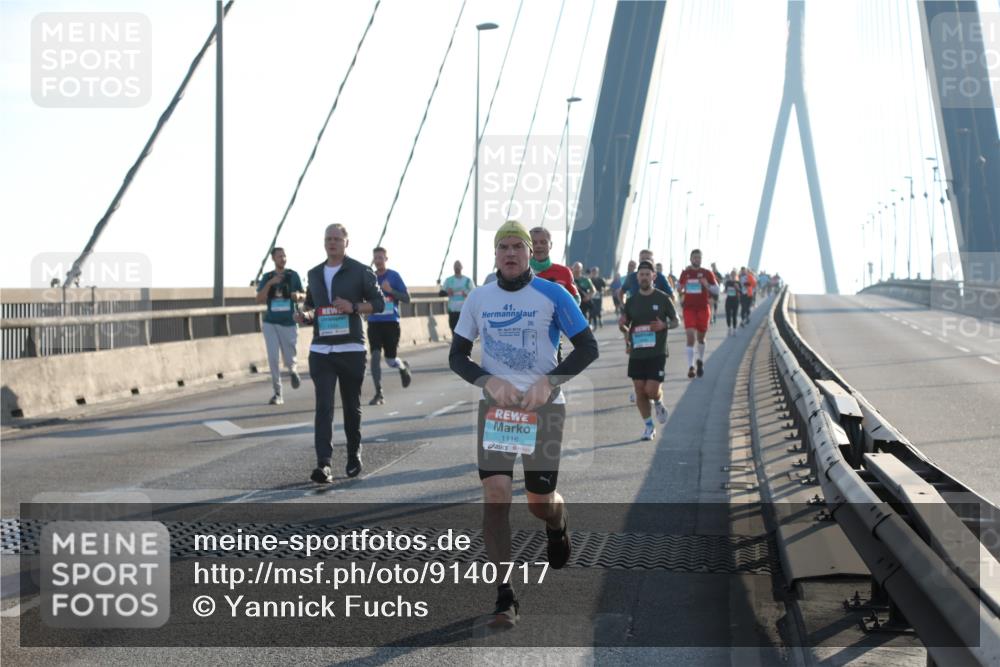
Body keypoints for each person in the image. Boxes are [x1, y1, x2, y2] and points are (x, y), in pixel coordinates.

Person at [449, 220, 599, 629]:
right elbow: (458, 356)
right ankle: (505, 595)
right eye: (504, 247)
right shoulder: (479, 299)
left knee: (538, 503)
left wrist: (549, 383)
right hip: (497, 409)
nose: (511, 253)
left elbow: (588, 347)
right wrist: (486, 380)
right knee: (496, 494)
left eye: (518, 246)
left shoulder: (554, 294)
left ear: (530, 253)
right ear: (495, 255)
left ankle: (558, 518)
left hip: (544, 409)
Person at [295, 223, 384, 482]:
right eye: (328, 239)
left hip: (351, 349)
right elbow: (313, 306)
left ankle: (354, 454)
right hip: (321, 349)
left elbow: (378, 304)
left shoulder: (360, 271)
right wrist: (305, 315)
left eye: (336, 238)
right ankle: (324, 464)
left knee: (350, 406)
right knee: (323, 406)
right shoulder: (313, 274)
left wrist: (353, 306)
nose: (332, 242)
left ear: (347, 242)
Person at [619, 260, 678, 440]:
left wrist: (664, 324)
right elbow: (626, 326)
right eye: (641, 275)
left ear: (654, 276)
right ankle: (648, 426)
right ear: (637, 277)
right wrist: (623, 327)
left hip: (657, 352)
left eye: (647, 274)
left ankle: (658, 402)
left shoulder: (662, 298)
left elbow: (676, 321)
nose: (644, 277)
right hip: (637, 352)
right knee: (639, 390)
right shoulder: (631, 301)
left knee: (651, 390)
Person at [256, 247, 305, 405]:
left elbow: (305, 296)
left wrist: (298, 296)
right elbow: (259, 299)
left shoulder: (293, 275)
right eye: (279, 256)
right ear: (273, 259)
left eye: (284, 256)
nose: (282, 259)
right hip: (271, 323)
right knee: (273, 358)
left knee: (290, 356)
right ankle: (278, 393)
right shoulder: (267, 277)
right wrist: (270, 283)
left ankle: (293, 371)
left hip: (289, 322)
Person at [367, 246, 413, 406]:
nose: (378, 261)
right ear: (373, 260)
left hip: (391, 323)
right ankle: (378, 392)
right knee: (374, 356)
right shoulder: (369, 277)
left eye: (381, 258)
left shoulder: (393, 276)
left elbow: (407, 298)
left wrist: (390, 290)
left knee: (390, 359)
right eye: (376, 258)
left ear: (386, 259)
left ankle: (402, 366)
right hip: (374, 323)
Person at [677, 249, 719, 378]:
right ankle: (691, 367)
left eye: (699, 257)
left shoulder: (707, 273)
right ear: (690, 259)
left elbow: (716, 290)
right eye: (694, 257)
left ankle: (700, 360)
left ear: (701, 259)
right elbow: (678, 287)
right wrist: (680, 287)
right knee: (690, 337)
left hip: (703, 309)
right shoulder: (686, 273)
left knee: (701, 338)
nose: (697, 259)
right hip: (689, 309)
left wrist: (706, 285)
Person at [528, 227, 579, 303]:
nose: (539, 246)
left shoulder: (564, 272)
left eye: (543, 242)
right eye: (534, 243)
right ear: (528, 246)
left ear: (550, 245)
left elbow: (576, 299)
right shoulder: (518, 272)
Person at [443, 260, 474, 334]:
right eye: (455, 267)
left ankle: (462, 342)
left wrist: (466, 294)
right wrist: (447, 292)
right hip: (452, 309)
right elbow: (441, 292)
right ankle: (455, 342)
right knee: (453, 327)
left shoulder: (467, 280)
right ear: (453, 268)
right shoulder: (448, 280)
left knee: (463, 328)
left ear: (461, 268)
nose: (457, 268)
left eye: (458, 266)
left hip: (464, 309)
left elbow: (474, 293)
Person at [723, 269, 741, 335]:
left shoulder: (738, 283)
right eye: (732, 274)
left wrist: (737, 288)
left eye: (734, 274)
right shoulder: (728, 282)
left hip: (735, 300)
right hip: (728, 300)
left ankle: (735, 329)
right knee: (728, 315)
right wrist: (725, 290)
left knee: (734, 315)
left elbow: (741, 292)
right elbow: (725, 291)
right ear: (730, 275)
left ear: (736, 275)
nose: (733, 276)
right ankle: (729, 328)